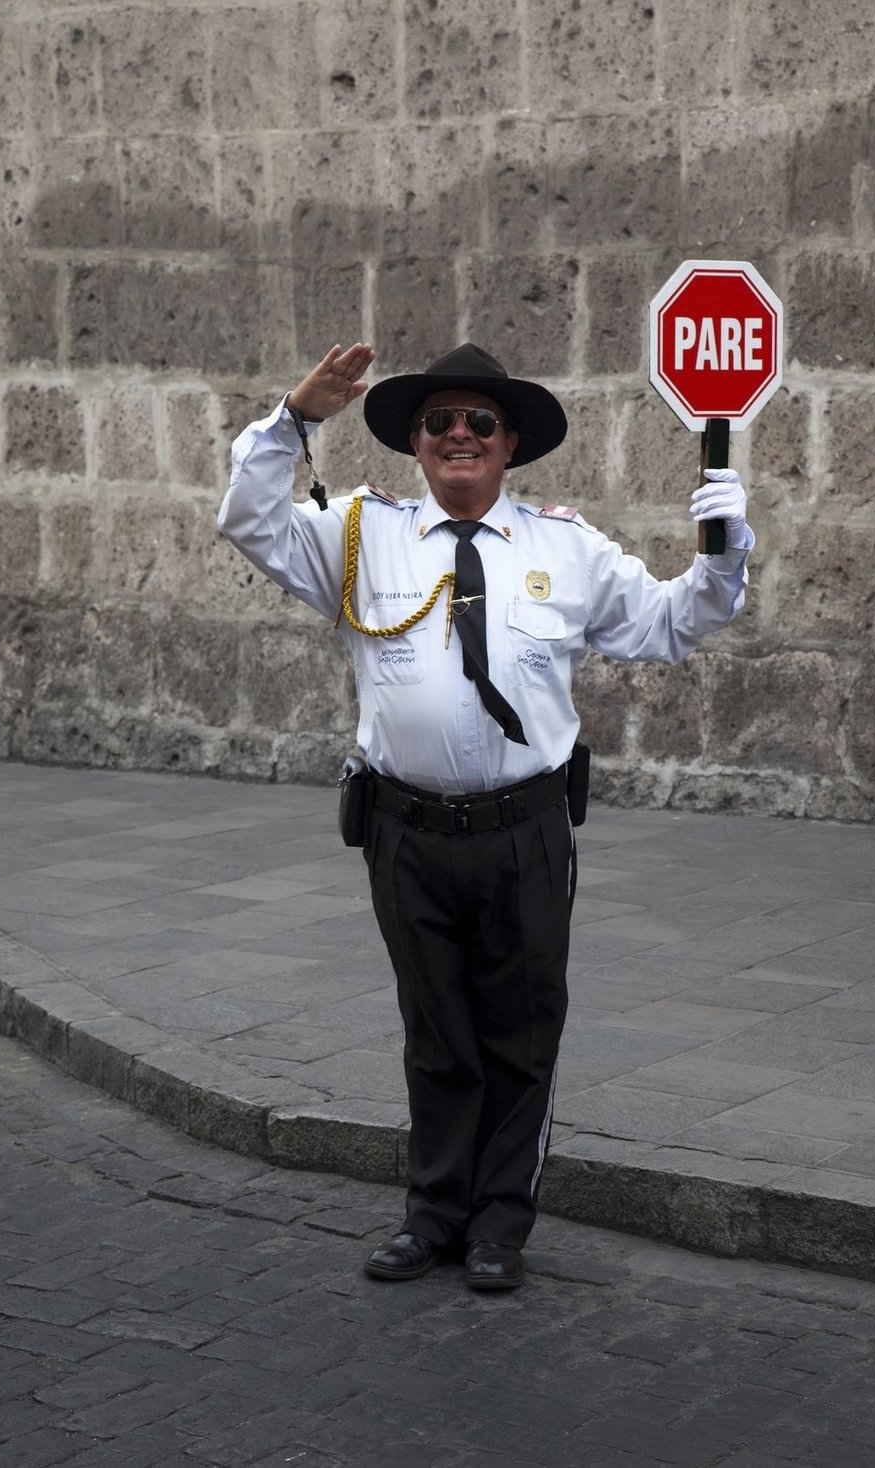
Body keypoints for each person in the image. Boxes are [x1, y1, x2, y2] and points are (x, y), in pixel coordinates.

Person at [218, 340, 752, 1291]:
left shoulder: (567, 548)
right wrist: (295, 419)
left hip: (525, 832)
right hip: (405, 830)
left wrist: (724, 554)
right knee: (435, 1029)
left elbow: (673, 624)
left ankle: (501, 1222)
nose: (458, 436)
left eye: (479, 423)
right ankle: (431, 1217)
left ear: (510, 445)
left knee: (520, 1028)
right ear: (415, 444)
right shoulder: (353, 532)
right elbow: (247, 514)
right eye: (438, 423)